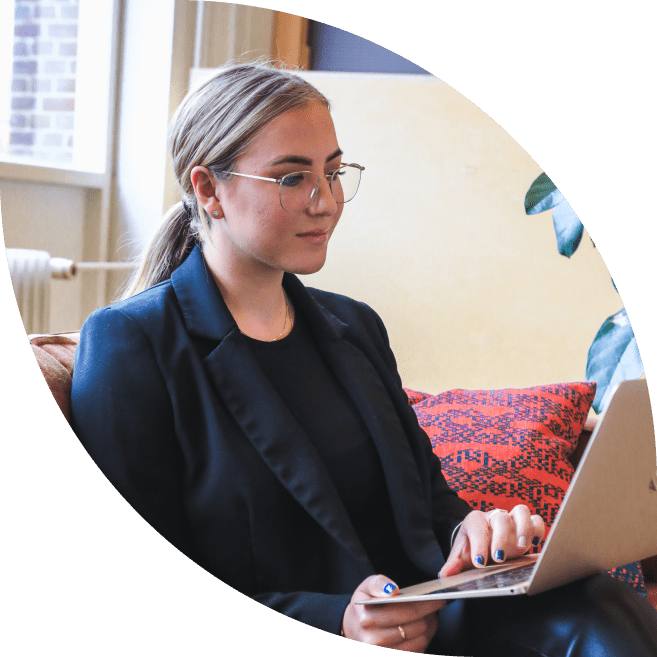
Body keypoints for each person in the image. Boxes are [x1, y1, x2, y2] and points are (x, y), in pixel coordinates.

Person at [71, 62, 657, 655]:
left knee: (598, 604)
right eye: (292, 178)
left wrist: (472, 533)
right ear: (208, 190)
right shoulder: (130, 344)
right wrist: (336, 621)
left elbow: (431, 503)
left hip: (423, 616)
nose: (325, 202)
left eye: (332, 172)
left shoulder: (355, 327)